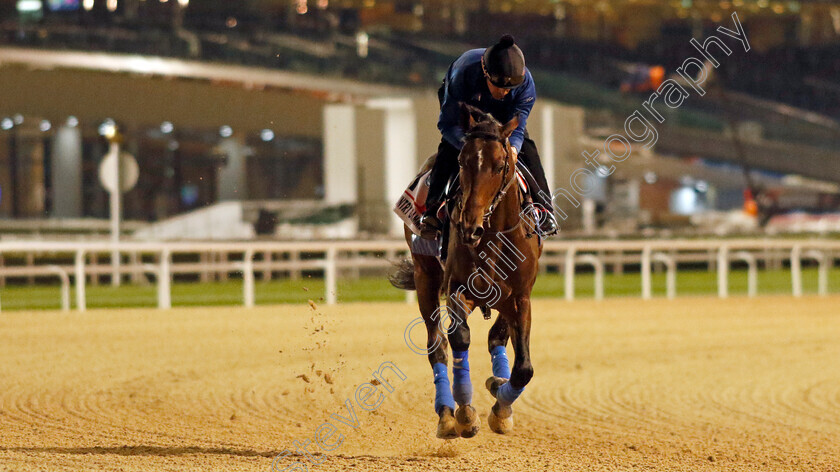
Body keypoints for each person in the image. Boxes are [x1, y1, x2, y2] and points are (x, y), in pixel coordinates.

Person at [419, 34, 558, 239]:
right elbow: (447, 125)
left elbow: (517, 128)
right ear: (485, 73)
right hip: (467, 104)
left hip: (505, 115)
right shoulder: (463, 74)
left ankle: (545, 210)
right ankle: (431, 211)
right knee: (448, 150)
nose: (503, 92)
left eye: (509, 88)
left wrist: (513, 149)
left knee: (529, 150)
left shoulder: (525, 85)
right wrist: (466, 145)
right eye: (499, 86)